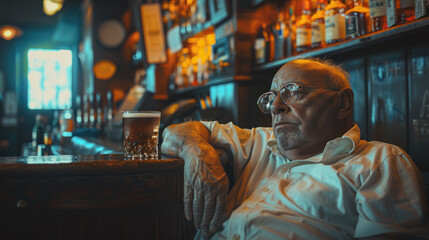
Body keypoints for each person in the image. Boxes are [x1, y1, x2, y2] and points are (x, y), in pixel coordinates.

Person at [161, 58, 429, 239]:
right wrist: (198, 153)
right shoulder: (257, 141)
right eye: (271, 98)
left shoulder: (380, 161)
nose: (276, 107)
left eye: (293, 91)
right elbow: (174, 133)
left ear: (343, 104)